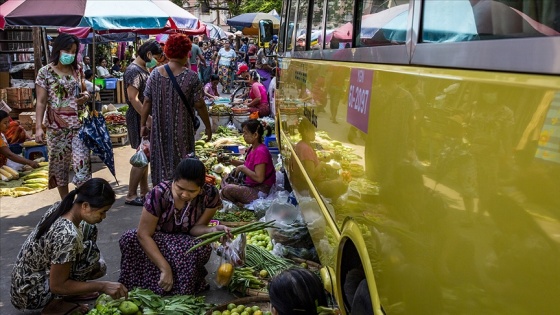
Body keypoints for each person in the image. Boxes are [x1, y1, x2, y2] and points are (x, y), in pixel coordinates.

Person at [10, 178, 128, 314]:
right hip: (30, 293)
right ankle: (54, 305)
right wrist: (103, 286)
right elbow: (56, 286)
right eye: (102, 212)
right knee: (91, 258)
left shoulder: (62, 207)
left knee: (89, 231)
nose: (104, 216)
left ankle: (71, 292)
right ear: (85, 206)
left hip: (22, 282)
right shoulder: (68, 236)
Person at [119, 158, 229, 295]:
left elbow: (196, 229)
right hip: (156, 239)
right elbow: (144, 234)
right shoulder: (159, 194)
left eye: (192, 191)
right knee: (129, 238)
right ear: (174, 180)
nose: (184, 194)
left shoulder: (210, 195)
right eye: (180, 188)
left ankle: (179, 286)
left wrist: (213, 230)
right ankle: (154, 281)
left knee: (201, 247)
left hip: (185, 241)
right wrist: (165, 268)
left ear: (201, 187)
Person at [140, 33, 212, 186]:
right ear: (187, 52)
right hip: (183, 133)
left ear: (167, 51)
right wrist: (208, 126)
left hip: (159, 132)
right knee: (183, 166)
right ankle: (180, 197)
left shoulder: (154, 74)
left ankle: (162, 198)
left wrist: (143, 125)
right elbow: (199, 105)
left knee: (161, 166)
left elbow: (147, 101)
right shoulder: (191, 77)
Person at [35, 32, 92, 199]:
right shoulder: (44, 72)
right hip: (56, 129)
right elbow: (41, 101)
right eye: (67, 50)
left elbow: (84, 91)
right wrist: (38, 127)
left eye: (74, 51)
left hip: (78, 127)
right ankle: (66, 203)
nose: (70, 54)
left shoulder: (78, 69)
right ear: (58, 49)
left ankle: (82, 203)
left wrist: (85, 97)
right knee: (60, 169)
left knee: (82, 167)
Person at [124, 40, 163, 206]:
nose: (157, 60)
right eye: (156, 56)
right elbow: (134, 99)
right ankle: (131, 195)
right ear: (148, 54)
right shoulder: (133, 71)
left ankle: (144, 190)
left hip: (144, 117)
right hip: (138, 117)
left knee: (145, 155)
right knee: (141, 155)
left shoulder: (143, 69)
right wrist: (147, 119)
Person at [221, 119, 276, 205]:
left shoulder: (261, 152)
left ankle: (239, 204)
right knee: (225, 178)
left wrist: (242, 168)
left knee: (227, 189)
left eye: (245, 133)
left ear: (255, 135)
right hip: (251, 184)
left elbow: (259, 178)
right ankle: (237, 200)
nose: (243, 136)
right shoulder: (253, 148)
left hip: (260, 190)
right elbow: (247, 164)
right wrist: (230, 160)